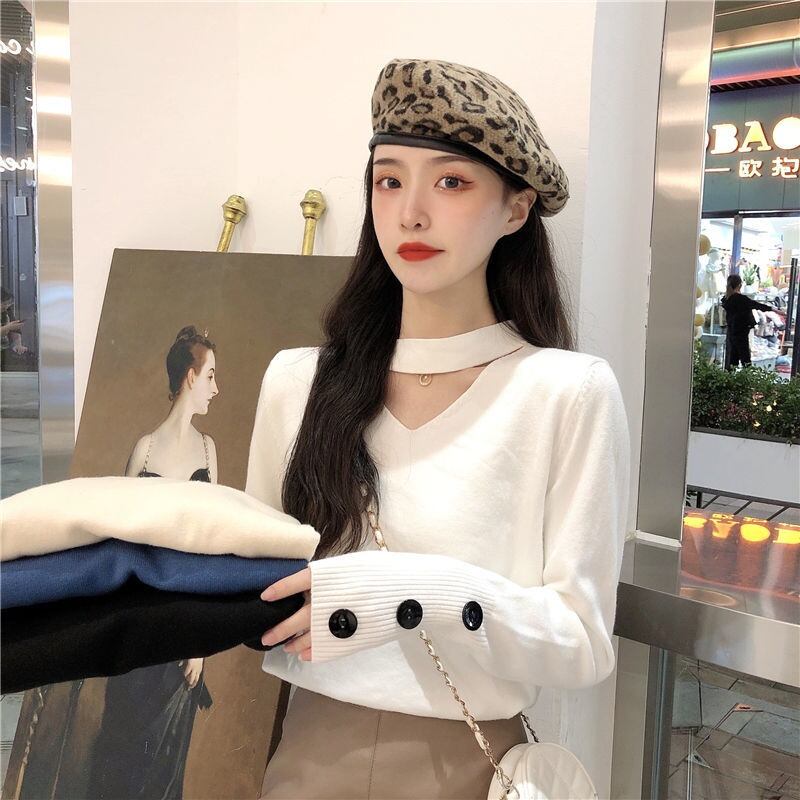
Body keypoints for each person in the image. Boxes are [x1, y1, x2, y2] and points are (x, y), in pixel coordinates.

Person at [245, 58, 631, 799]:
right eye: (389, 181)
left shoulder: (564, 392)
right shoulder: (298, 383)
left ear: (516, 209)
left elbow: (582, 643)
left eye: (451, 182)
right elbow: (254, 584)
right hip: (303, 756)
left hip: (469, 766)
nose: (410, 214)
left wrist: (416, 591)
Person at [84, 325, 220, 799]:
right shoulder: (144, 450)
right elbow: (119, 546)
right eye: (211, 376)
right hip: (139, 624)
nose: (216, 389)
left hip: (183, 629)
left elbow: (210, 548)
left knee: (164, 771)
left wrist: (200, 644)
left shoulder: (208, 451)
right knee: (122, 755)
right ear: (190, 376)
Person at [720, 274, 774, 370]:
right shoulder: (741, 299)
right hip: (741, 333)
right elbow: (756, 305)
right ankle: (746, 377)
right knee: (745, 360)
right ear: (739, 285)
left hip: (732, 332)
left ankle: (730, 377)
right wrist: (773, 309)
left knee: (733, 359)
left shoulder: (727, 299)